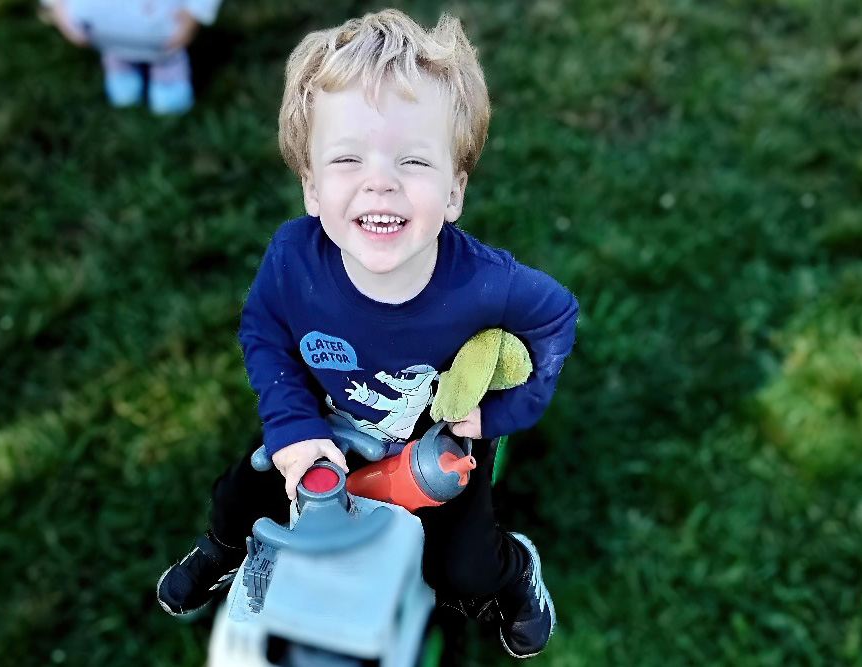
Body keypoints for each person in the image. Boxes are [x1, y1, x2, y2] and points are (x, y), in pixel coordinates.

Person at [156, 8, 578, 659]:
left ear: (454, 190)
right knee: (242, 495)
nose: (379, 179)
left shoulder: (485, 283)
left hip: (433, 435)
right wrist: (294, 427)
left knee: (459, 570)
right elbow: (263, 331)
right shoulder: (295, 260)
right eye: (348, 157)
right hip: (325, 417)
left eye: (411, 159)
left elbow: (556, 317)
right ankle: (219, 552)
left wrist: (498, 414)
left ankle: (514, 571)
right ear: (312, 187)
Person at [40, 0, 222, 114]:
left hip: (163, 46)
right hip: (107, 41)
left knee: (169, 102)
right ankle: (122, 72)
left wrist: (194, 13)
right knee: (121, 85)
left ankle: (167, 82)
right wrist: (60, 12)